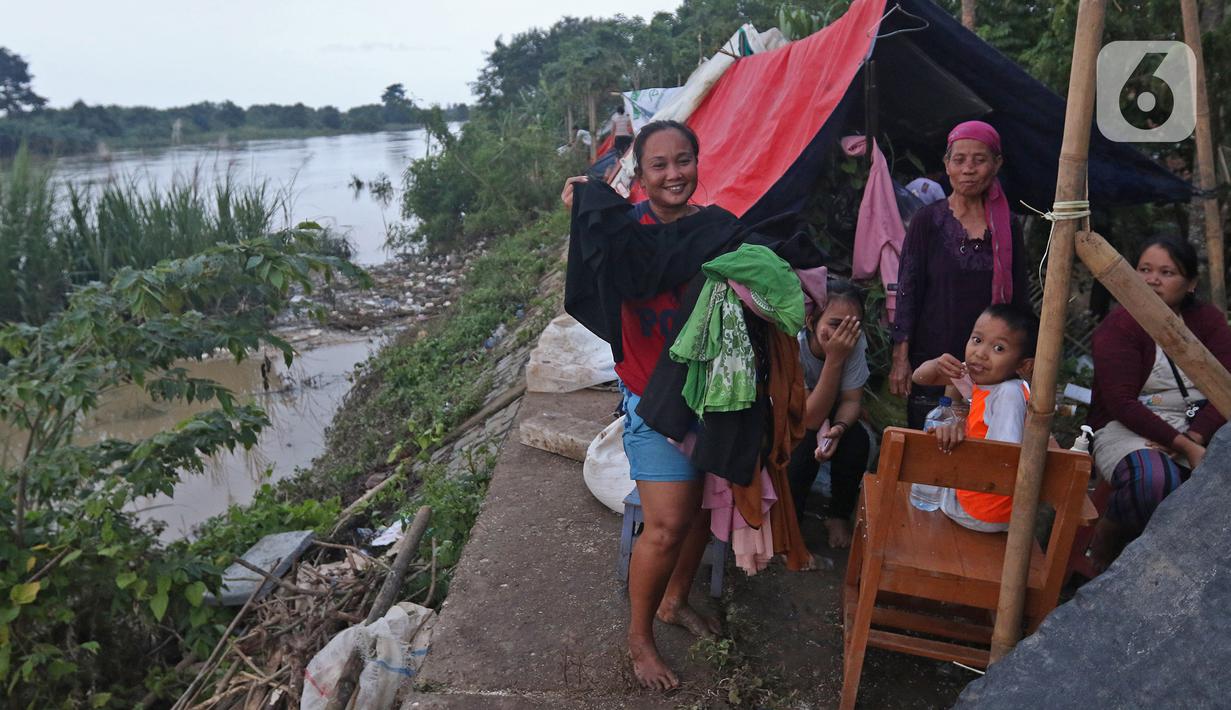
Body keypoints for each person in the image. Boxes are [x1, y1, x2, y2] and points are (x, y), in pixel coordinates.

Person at [562, 121, 729, 691]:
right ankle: (639, 641)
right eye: (659, 165)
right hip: (651, 395)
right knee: (665, 524)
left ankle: (673, 601)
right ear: (641, 173)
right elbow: (589, 262)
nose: (673, 174)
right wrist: (583, 209)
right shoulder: (623, 233)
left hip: (712, 394)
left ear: (698, 163)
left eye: (683, 160)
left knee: (706, 512)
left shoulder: (718, 231)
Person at [1088, 236, 1231, 567]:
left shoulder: (1208, 322)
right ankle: (1105, 553)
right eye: (1144, 269)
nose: (1152, 280)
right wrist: (1183, 445)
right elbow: (1122, 403)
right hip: (1127, 429)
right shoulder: (1119, 326)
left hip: (1200, 428)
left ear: (1191, 283)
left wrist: (1193, 438)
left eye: (1167, 272)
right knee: (1154, 481)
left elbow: (1225, 385)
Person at [890, 120, 1031, 429]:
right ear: (947, 165)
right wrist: (901, 357)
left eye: (979, 160)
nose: (968, 169)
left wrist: (1026, 358)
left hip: (991, 362)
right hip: (934, 358)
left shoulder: (1006, 226)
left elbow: (1019, 299)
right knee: (930, 447)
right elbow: (907, 290)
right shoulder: (928, 220)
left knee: (983, 447)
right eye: (960, 159)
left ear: (996, 165)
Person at [910, 303, 1038, 532]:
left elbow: (1003, 455)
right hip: (983, 501)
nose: (980, 353)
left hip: (979, 510)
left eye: (998, 348)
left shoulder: (1009, 394)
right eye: (977, 340)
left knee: (923, 474)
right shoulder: (983, 381)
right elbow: (921, 378)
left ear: (1023, 365)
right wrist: (937, 364)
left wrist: (962, 437)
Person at [786, 279, 871, 548]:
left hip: (831, 411)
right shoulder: (794, 345)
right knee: (803, 448)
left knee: (858, 442)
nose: (844, 334)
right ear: (811, 322)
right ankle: (790, 526)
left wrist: (840, 428)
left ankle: (838, 516)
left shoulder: (855, 343)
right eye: (835, 324)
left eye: (853, 325)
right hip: (796, 415)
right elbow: (810, 418)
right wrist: (834, 359)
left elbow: (851, 400)